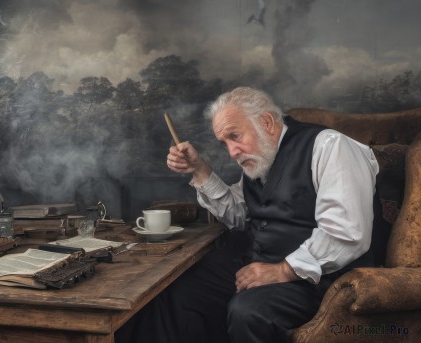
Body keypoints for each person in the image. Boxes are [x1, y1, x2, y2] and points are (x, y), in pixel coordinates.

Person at [115, 87, 379, 343]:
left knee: (249, 313)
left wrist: (283, 270)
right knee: (174, 292)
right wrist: (199, 169)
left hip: (324, 280)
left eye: (235, 136)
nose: (232, 153)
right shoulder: (260, 158)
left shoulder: (332, 147)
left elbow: (347, 233)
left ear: (266, 122)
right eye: (225, 143)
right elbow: (239, 215)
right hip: (262, 263)